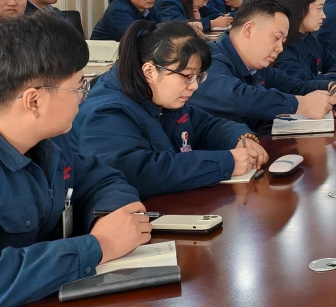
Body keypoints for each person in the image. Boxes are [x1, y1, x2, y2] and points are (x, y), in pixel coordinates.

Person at [0, 12, 151, 307]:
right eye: (79, 87)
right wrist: (98, 246)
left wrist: (112, 214)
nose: (83, 98)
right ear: (34, 101)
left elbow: (99, 177)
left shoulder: (45, 136)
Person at [75, 21, 267, 198]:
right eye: (187, 76)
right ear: (149, 71)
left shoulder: (161, 97)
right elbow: (141, 173)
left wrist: (240, 137)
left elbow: (205, 125)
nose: (194, 86)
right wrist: (226, 163)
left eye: (198, 77)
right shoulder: (106, 113)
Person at [188, 0, 336, 132]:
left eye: (283, 41)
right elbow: (236, 96)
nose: (280, 48)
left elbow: (293, 85)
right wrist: (300, 104)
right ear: (249, 29)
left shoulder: (255, 66)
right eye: (276, 38)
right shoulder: (208, 60)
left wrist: (331, 86)